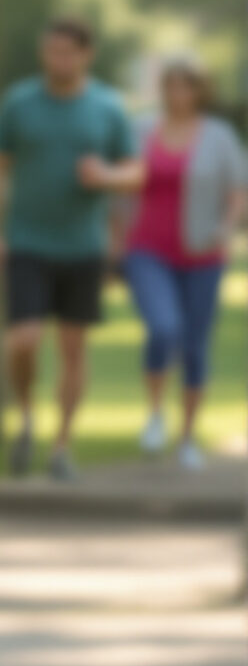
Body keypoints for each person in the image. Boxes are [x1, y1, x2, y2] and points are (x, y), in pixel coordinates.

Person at [0, 15, 135, 481]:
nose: (56, 60)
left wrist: (106, 177)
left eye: (66, 52)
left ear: (86, 54)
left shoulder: (106, 107)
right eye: (50, 51)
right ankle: (26, 416)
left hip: (84, 246)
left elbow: (135, 171)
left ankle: (62, 444)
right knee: (23, 341)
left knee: (72, 348)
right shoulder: (20, 103)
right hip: (28, 242)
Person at [102, 59, 245, 469]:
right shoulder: (141, 130)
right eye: (171, 87)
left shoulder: (219, 136)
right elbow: (121, 189)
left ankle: (187, 438)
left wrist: (226, 226)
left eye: (186, 87)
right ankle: (155, 413)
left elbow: (238, 189)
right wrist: (116, 247)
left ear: (199, 92)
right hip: (146, 249)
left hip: (203, 253)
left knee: (196, 346)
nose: (177, 95)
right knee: (164, 328)